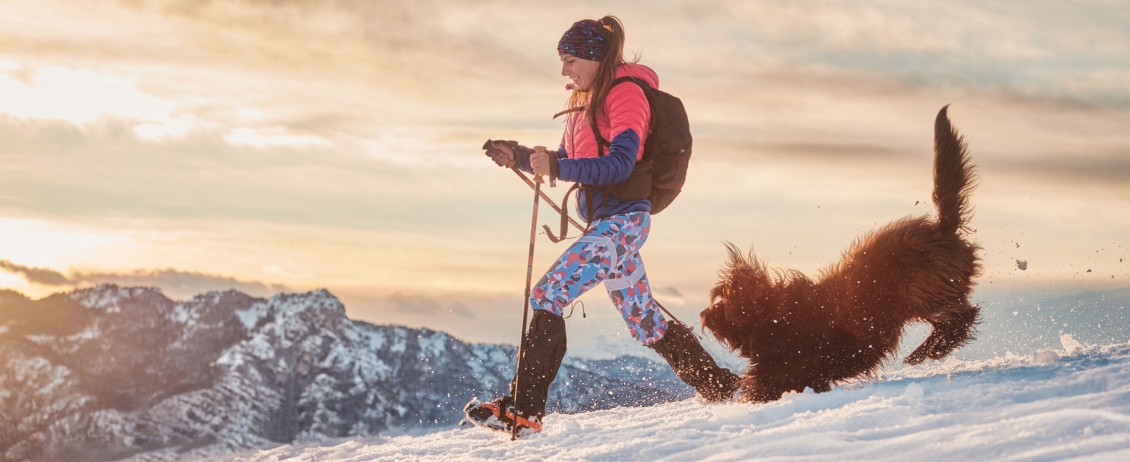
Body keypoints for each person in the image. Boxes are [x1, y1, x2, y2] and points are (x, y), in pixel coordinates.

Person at [464, 16, 738, 436]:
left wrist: (556, 164)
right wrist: (517, 156)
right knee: (646, 322)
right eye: (562, 61)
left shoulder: (627, 94)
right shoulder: (584, 101)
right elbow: (567, 157)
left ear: (595, 58)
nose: (564, 71)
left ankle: (525, 408)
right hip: (606, 225)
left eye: (570, 60)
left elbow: (620, 163)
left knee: (548, 293)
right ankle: (721, 387)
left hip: (624, 222)